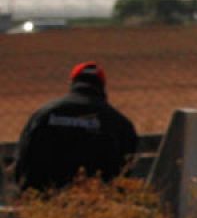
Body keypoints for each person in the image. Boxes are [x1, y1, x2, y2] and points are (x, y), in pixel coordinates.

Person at [10, 62, 139, 192]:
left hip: (46, 203)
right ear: (102, 86)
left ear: (73, 82)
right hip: (101, 203)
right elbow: (126, 170)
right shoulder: (119, 123)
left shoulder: (44, 115)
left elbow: (23, 161)